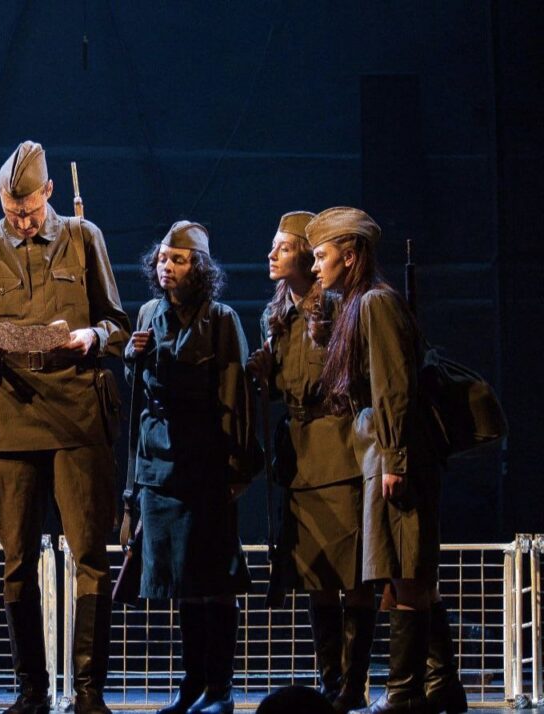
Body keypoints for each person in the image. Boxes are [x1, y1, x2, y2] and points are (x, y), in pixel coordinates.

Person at [0, 141, 130, 714]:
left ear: (48, 192)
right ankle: (30, 690)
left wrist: (91, 336)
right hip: (10, 419)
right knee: (17, 561)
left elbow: (118, 324)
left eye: (28, 211)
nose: (22, 222)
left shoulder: (83, 236)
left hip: (77, 415)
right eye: (11, 212)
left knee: (90, 555)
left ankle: (89, 691)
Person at [307, 207, 466, 714]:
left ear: (350, 256)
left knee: (408, 573)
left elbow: (394, 387)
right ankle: (441, 685)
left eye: (322, 256)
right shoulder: (358, 306)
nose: (315, 266)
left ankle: (405, 693)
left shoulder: (375, 302)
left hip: (394, 451)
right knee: (401, 572)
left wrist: (396, 459)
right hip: (381, 449)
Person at [125, 221, 259, 714]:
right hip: (160, 464)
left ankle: (220, 690)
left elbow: (236, 394)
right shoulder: (148, 314)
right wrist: (132, 356)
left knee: (214, 579)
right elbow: (139, 396)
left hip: (206, 462)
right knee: (182, 581)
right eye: (163, 259)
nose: (167, 267)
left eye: (178, 260)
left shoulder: (221, 319)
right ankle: (193, 686)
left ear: (198, 268)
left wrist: (237, 465)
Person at [247, 212, 375, 713]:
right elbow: (285, 389)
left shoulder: (341, 307)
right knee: (317, 578)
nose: (271, 255)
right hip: (300, 459)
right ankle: (330, 682)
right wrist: (265, 375)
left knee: (353, 577)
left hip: (340, 452)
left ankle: (354, 685)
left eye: (282, 247)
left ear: (306, 255)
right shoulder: (276, 313)